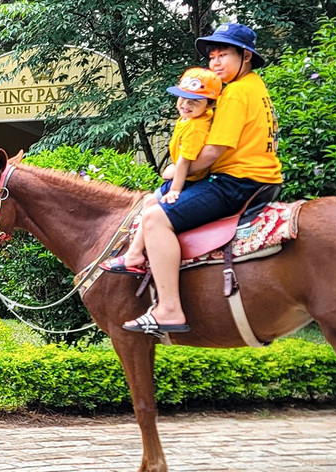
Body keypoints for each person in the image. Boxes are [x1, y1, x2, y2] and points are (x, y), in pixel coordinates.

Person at [122, 23, 282, 335]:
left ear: (246, 56)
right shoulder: (254, 86)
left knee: (155, 219)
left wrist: (176, 171)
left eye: (224, 55)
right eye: (212, 57)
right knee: (155, 199)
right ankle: (134, 255)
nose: (216, 63)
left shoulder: (235, 93)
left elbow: (212, 152)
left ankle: (169, 309)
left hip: (236, 182)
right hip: (259, 178)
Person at [106, 68, 222, 275]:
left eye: (194, 101)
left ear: (209, 104)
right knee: (148, 202)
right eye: (182, 98)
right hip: (184, 176)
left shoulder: (196, 127)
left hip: (189, 180)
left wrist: (175, 189)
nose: (185, 105)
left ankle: (135, 253)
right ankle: (134, 251)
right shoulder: (188, 118)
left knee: (153, 210)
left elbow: (184, 162)